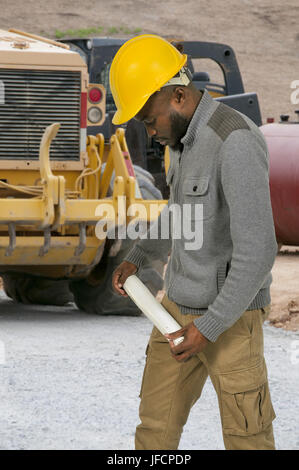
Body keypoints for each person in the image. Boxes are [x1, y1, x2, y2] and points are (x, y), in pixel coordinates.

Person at [110, 34, 277, 450]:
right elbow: (181, 212)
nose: (150, 132)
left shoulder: (235, 140)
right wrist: (138, 256)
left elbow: (259, 250)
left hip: (230, 322)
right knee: (154, 434)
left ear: (179, 96)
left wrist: (211, 325)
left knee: (247, 440)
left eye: (150, 120)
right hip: (174, 315)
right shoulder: (182, 141)